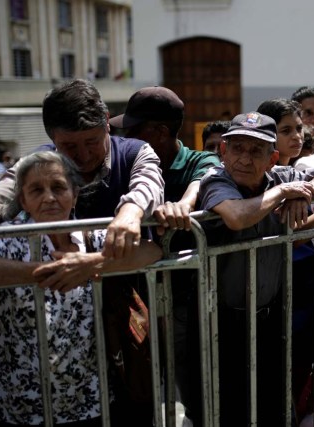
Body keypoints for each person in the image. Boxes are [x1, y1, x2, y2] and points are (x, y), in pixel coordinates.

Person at [0, 151, 161, 427]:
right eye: (37, 190)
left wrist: (91, 263)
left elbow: (151, 251)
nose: (49, 197)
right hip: (19, 403)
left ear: (74, 195)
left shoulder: (89, 237)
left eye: (58, 187)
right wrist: (46, 272)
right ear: (23, 200)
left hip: (90, 401)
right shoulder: (9, 238)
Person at [196, 111, 314, 425]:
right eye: (237, 148)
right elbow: (236, 216)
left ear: (272, 158)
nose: (244, 159)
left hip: (271, 316)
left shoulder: (281, 176)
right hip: (222, 320)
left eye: (256, 150)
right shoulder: (217, 179)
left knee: (273, 403)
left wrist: (306, 191)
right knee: (229, 409)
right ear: (223, 151)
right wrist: (284, 193)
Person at [109, 86, 220, 425]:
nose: (124, 139)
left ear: (158, 132)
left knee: (193, 388)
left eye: (132, 131)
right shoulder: (129, 164)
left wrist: (183, 206)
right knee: (139, 388)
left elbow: (208, 176)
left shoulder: (198, 160)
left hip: (186, 301)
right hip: (134, 298)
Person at [0, 79, 164, 260]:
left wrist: (130, 213)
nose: (84, 155)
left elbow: (148, 186)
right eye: (70, 146)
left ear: (107, 121)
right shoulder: (34, 166)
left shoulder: (135, 153)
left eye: (92, 141)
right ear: (52, 138)